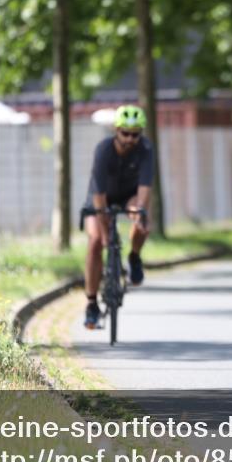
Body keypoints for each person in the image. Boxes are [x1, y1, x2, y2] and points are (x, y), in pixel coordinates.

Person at [82, 105, 153, 329]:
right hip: (100, 197)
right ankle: (92, 304)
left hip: (128, 196)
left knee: (141, 219)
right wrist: (105, 235)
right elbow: (100, 197)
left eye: (135, 134)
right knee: (95, 242)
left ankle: (134, 256)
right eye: (125, 133)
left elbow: (144, 190)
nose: (130, 139)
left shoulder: (146, 149)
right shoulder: (103, 150)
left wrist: (139, 212)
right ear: (116, 130)